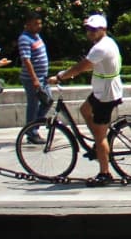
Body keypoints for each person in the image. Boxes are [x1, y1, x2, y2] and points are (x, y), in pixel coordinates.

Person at [48, 13, 123, 185]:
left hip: (106, 94)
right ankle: (98, 144)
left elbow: (81, 67)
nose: (90, 33)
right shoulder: (106, 42)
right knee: (84, 110)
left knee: (100, 135)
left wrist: (60, 77)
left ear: (103, 30)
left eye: (94, 30)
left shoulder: (100, 48)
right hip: (101, 91)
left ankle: (104, 173)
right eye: (88, 29)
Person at [18, 11, 50, 140]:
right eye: (36, 24)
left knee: (48, 101)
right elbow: (26, 60)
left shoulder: (36, 36)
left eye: (40, 23)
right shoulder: (24, 39)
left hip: (43, 77)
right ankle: (31, 132)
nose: (39, 26)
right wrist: (34, 79)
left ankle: (33, 127)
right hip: (32, 79)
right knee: (34, 104)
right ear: (28, 25)